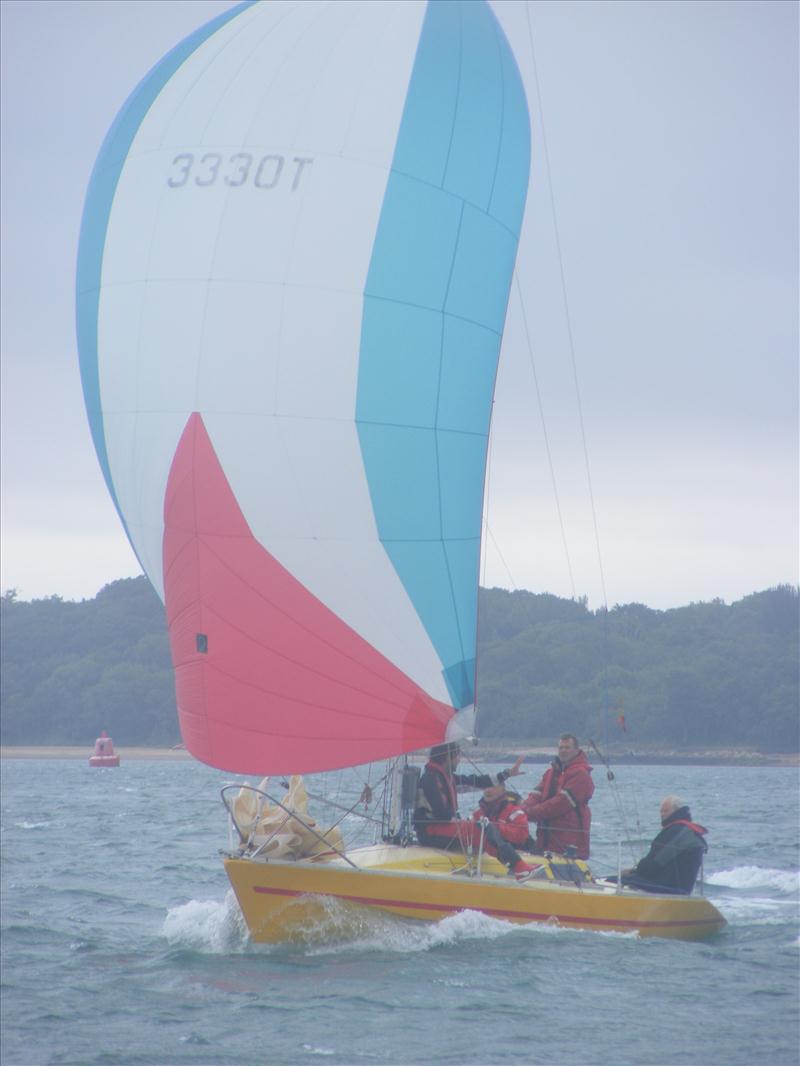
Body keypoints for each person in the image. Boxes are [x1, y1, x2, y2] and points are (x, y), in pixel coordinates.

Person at [414, 742, 534, 878]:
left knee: (483, 827)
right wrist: (464, 824)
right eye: (457, 756)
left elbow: (476, 780)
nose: (459, 760)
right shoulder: (430, 778)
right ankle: (519, 867)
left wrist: (507, 774)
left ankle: (518, 866)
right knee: (481, 829)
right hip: (431, 831)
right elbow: (441, 813)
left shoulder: (444, 777)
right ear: (448, 757)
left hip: (439, 827)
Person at [616, 796, 708, 895]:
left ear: (676, 811)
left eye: (665, 811)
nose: (662, 814)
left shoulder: (675, 831)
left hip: (666, 888)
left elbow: (653, 865)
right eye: (661, 811)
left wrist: (634, 872)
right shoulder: (687, 830)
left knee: (614, 880)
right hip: (678, 887)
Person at [521, 733, 594, 859]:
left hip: (569, 841)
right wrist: (519, 812)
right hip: (546, 839)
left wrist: (528, 814)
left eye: (567, 748)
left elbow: (559, 804)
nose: (563, 751)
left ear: (576, 750)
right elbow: (535, 795)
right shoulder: (550, 773)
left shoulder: (581, 775)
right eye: (561, 748)